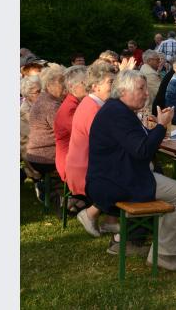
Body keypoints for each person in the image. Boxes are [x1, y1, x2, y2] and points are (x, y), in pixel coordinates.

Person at [86, 70, 176, 270]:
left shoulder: (116, 109)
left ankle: (160, 245)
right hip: (117, 182)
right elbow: (143, 150)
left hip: (116, 176)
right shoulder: (118, 113)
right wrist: (161, 126)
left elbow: (137, 144)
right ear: (123, 91)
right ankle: (164, 254)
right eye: (141, 89)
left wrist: (157, 128)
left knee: (167, 181)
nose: (146, 94)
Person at [66, 62, 118, 238]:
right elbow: (110, 142)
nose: (115, 86)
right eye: (111, 82)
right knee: (126, 173)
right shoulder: (93, 108)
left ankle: (112, 221)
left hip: (85, 164)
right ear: (95, 86)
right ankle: (90, 213)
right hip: (85, 169)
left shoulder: (92, 103)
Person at [26, 65, 67, 202]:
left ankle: (55, 190)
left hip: (37, 154)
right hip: (45, 156)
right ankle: (75, 199)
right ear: (49, 85)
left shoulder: (44, 99)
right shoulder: (50, 105)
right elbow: (65, 131)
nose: (65, 86)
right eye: (62, 83)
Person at [54, 65, 87, 201]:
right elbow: (86, 134)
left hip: (79, 158)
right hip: (72, 163)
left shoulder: (76, 103)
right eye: (85, 83)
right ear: (73, 86)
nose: (90, 86)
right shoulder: (70, 108)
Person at [20, 75, 42, 181]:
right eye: (37, 92)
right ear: (27, 95)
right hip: (32, 152)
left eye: (42, 90)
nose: (41, 94)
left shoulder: (40, 104)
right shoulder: (25, 112)